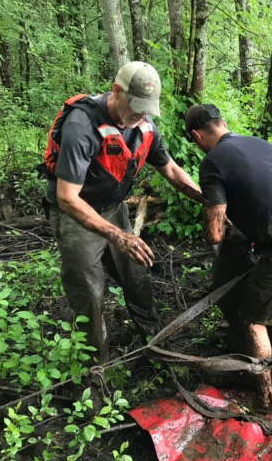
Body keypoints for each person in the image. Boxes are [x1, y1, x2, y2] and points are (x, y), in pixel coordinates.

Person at [43, 61, 203, 364]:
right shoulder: (83, 125)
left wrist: (206, 200)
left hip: (114, 209)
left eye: (147, 109)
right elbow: (67, 198)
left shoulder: (144, 125)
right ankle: (96, 369)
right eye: (136, 107)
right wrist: (119, 236)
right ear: (117, 91)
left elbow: (169, 168)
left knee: (136, 275)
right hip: (77, 214)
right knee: (89, 295)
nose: (141, 115)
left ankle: (155, 343)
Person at [184, 104, 272, 412]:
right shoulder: (257, 142)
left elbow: (216, 226)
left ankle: (265, 397)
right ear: (222, 123)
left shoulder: (212, 162)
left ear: (198, 135)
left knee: (252, 318)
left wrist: (213, 235)